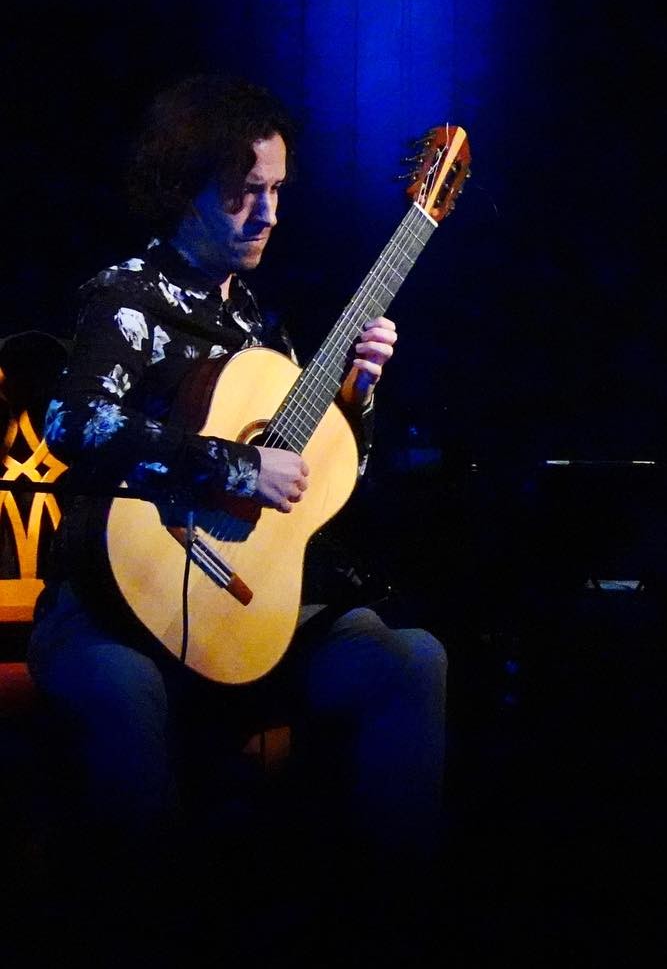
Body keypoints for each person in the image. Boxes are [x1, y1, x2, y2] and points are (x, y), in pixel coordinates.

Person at [30, 76, 448, 873]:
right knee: (121, 692)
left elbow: (317, 486)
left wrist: (358, 397)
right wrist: (232, 462)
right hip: (114, 611)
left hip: (247, 612)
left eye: (277, 191)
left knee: (414, 658)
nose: (268, 215)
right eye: (242, 194)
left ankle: (397, 925)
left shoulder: (261, 328)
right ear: (182, 190)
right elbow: (74, 424)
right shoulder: (126, 300)